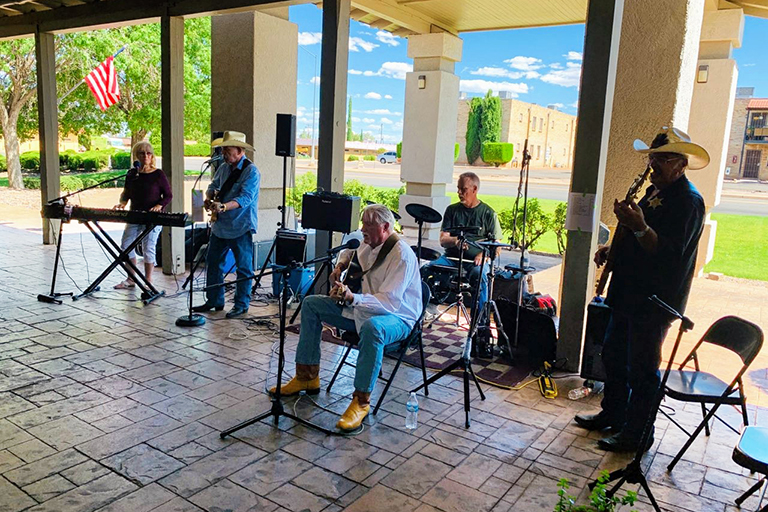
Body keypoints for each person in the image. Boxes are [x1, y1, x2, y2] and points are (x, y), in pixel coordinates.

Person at [574, 126, 708, 453]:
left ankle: (638, 434)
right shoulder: (651, 192)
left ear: (681, 164)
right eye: (653, 157)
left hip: (654, 301)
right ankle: (614, 415)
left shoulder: (688, 202)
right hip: (627, 292)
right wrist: (612, 251)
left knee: (643, 370)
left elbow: (669, 255)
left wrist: (640, 226)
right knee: (614, 355)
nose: (654, 165)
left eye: (663, 159)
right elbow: (635, 238)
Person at [271, 205, 422, 431]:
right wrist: (340, 265)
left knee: (374, 328)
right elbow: (351, 252)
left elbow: (389, 303)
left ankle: (361, 401)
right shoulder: (370, 242)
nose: (363, 230)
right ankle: (307, 376)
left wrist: (352, 298)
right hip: (363, 309)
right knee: (311, 304)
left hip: (397, 318)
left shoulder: (402, 255)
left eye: (368, 225)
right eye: (362, 224)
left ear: (386, 227)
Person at [193, 131, 260, 319]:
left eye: (227, 150)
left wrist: (223, 206)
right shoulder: (223, 168)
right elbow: (213, 186)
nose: (223, 153)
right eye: (222, 150)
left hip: (241, 225)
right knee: (213, 262)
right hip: (220, 226)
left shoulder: (251, 171)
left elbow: (246, 198)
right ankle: (214, 300)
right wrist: (208, 198)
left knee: (244, 267)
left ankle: (241, 304)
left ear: (239, 151)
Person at [421, 172, 502, 322]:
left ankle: (479, 323)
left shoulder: (488, 213)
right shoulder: (452, 210)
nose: (459, 192)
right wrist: (456, 241)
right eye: (458, 188)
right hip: (451, 259)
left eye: (463, 189)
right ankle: (426, 308)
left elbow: (497, 246)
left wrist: (485, 255)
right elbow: (443, 240)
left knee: (482, 276)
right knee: (426, 269)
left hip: (475, 262)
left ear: (474, 189)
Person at [113, 141, 172, 289]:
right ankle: (131, 278)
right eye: (141, 153)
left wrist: (159, 205)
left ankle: (148, 280)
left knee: (148, 247)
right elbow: (126, 193)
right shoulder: (132, 174)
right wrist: (122, 202)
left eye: (148, 153)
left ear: (152, 156)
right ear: (136, 156)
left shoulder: (158, 174)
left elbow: (168, 195)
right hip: (135, 215)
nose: (145, 156)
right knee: (126, 245)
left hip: (152, 218)